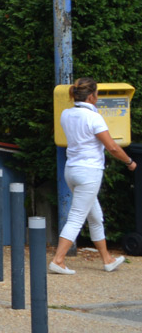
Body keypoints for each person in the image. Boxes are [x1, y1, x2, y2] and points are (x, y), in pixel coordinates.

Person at [49, 77, 137, 274]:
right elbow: (112, 147)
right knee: (77, 217)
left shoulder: (66, 114)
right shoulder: (94, 117)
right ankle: (58, 260)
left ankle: (107, 259)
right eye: (97, 94)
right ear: (91, 96)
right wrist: (129, 162)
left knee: (95, 216)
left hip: (71, 170)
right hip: (89, 172)